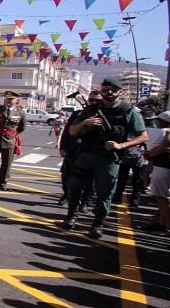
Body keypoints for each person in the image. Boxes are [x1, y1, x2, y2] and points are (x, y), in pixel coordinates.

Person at [62, 77, 147, 239]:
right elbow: (73, 131)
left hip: (108, 159)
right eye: (105, 89)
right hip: (85, 155)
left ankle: (98, 224)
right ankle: (71, 216)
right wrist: (86, 123)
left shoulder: (128, 111)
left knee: (104, 193)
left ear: (119, 92)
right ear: (101, 91)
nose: (109, 92)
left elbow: (143, 136)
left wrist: (120, 146)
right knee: (74, 188)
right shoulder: (91, 110)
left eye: (113, 90)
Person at [0, 91, 26, 191]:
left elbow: (22, 127)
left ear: (16, 100)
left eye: (11, 99)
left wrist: (11, 134)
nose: (8, 101)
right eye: (7, 99)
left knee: (7, 163)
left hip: (10, 140)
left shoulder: (20, 112)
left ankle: (2, 182)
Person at [143, 111, 170, 233]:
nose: (156, 122)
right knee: (163, 198)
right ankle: (162, 223)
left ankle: (165, 224)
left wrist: (151, 153)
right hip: (162, 166)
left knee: (163, 198)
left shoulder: (167, 132)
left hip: (163, 167)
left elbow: (166, 146)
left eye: (158, 120)